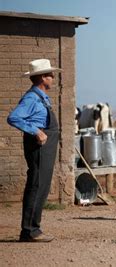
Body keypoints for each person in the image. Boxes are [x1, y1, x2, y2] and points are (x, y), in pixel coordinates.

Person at [7, 59, 61, 242]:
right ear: (42, 78)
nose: (53, 77)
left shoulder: (42, 98)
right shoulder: (31, 98)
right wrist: (36, 131)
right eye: (50, 75)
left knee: (42, 186)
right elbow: (14, 117)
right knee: (36, 185)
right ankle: (29, 230)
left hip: (46, 147)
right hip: (38, 147)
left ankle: (34, 229)